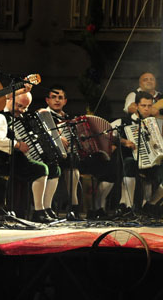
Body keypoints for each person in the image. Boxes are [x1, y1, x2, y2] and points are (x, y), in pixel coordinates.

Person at [41, 85, 117, 221]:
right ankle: (72, 207)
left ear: (65, 101)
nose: (57, 100)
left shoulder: (69, 118)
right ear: (47, 100)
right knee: (72, 163)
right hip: (49, 156)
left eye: (60, 98)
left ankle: (95, 208)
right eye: (53, 97)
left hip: (71, 155)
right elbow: (40, 133)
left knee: (107, 167)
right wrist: (56, 136)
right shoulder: (42, 114)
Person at [0, 92, 61, 223]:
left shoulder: (18, 118)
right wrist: (17, 144)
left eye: (24, 108)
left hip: (17, 159)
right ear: (9, 99)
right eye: (19, 106)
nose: (21, 110)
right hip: (3, 161)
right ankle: (39, 211)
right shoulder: (0, 117)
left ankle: (47, 208)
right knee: (40, 169)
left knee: (54, 168)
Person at [112, 91, 163, 217]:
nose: (146, 109)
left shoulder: (158, 123)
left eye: (149, 106)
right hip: (133, 161)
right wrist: (123, 141)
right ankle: (128, 207)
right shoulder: (124, 121)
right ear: (136, 106)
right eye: (143, 105)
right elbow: (109, 136)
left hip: (153, 164)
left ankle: (150, 205)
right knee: (129, 163)